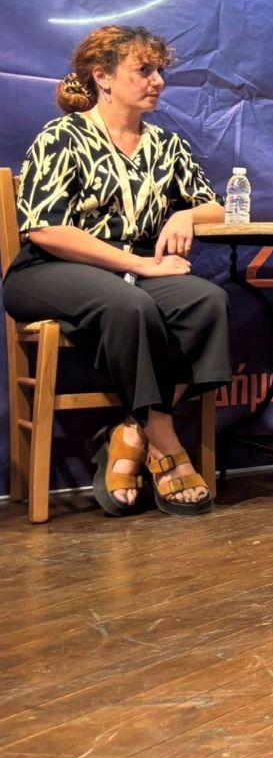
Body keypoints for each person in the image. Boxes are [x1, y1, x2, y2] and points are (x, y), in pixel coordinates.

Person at [4, 26, 228, 517]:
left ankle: (131, 431)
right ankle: (164, 441)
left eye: (160, 71)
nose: (157, 81)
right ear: (102, 76)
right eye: (143, 70)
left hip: (132, 273)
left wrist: (186, 215)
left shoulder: (166, 145)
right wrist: (139, 263)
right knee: (131, 304)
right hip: (52, 269)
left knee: (206, 302)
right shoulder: (62, 136)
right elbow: (46, 229)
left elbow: (216, 207)